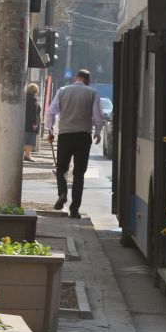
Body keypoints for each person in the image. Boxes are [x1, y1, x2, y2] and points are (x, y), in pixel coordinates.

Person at [45, 69, 103, 219]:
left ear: (76, 78)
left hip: (65, 135)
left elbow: (51, 111)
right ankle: (74, 210)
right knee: (79, 174)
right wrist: (97, 132)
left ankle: (62, 193)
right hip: (83, 136)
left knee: (61, 168)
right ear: (88, 80)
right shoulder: (92, 93)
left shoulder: (63, 91)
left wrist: (50, 130)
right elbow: (97, 116)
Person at [23, 83, 41, 162]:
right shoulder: (33, 100)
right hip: (30, 125)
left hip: (24, 123)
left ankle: (26, 155)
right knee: (30, 141)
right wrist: (34, 124)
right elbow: (33, 114)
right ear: (35, 91)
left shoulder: (24, 98)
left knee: (24, 139)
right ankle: (27, 155)